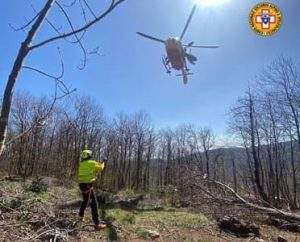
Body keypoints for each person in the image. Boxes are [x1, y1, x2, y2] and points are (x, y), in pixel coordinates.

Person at [78, 149, 106, 230]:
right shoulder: (92, 163)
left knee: (85, 201)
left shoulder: (81, 163)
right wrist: (103, 162)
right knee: (94, 204)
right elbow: (100, 168)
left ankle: (80, 216)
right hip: (88, 185)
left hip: (82, 185)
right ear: (90, 156)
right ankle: (97, 224)